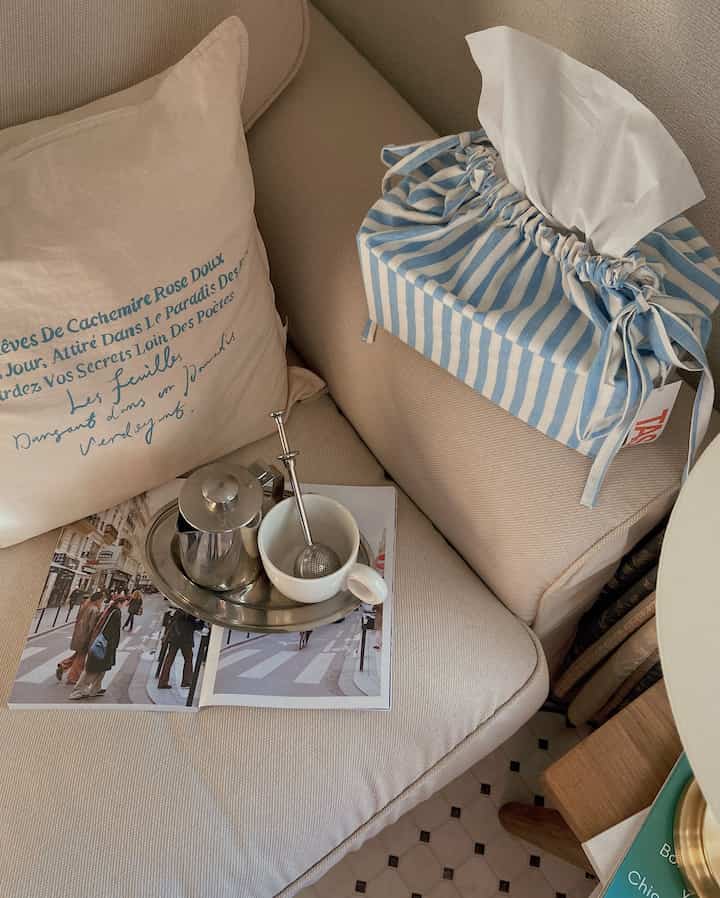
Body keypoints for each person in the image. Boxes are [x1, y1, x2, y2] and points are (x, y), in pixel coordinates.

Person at [69, 593, 128, 700]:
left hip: (105, 644)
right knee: (93, 668)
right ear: (120, 603)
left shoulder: (110, 610)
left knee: (102, 668)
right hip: (105, 645)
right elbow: (111, 631)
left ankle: (95, 688)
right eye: (124, 603)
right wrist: (111, 645)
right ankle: (78, 691)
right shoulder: (116, 612)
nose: (125, 605)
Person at [55, 591, 102, 684]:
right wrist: (92, 638)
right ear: (98, 600)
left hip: (79, 635)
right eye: (101, 600)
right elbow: (91, 626)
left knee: (78, 655)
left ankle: (63, 665)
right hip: (85, 637)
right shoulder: (94, 610)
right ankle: (73, 678)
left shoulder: (86, 606)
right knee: (80, 659)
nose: (102, 602)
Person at [158, 612, 199, 689]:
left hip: (175, 639)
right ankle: (186, 681)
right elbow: (196, 626)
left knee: (169, 660)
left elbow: (172, 623)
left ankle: (163, 682)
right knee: (188, 660)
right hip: (186, 641)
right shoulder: (191, 614)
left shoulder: (178, 612)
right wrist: (202, 621)